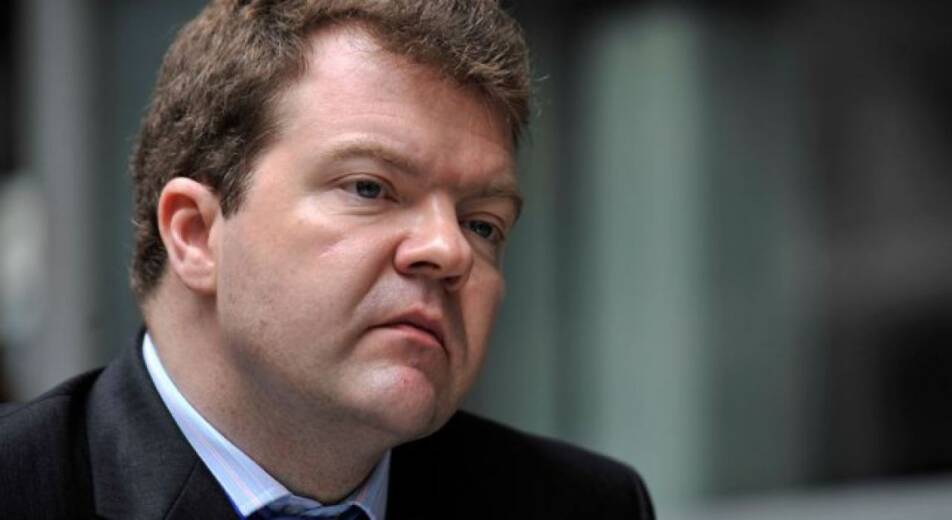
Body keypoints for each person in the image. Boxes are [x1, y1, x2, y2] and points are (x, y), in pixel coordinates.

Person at [0, 1, 655, 518]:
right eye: (369, 188)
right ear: (196, 234)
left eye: (482, 224)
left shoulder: (578, 506)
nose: (448, 250)